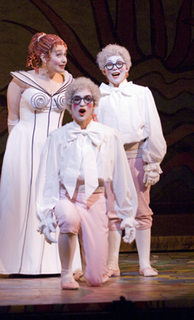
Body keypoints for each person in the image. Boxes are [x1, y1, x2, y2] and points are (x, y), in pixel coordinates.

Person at [0, 32, 80, 275]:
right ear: (42, 55)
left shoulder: (69, 82)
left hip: (56, 147)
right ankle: (20, 263)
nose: (63, 60)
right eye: (58, 55)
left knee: (56, 198)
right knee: (25, 199)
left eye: (65, 55)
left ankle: (61, 263)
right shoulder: (19, 82)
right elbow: (12, 120)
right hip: (26, 146)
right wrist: (15, 155)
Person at [35, 77, 138, 289]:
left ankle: (92, 271)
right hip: (67, 196)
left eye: (87, 99)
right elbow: (49, 176)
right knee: (69, 220)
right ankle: (66, 274)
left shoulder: (109, 135)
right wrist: (46, 213)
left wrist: (127, 214)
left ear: (94, 104)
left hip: (95, 198)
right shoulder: (58, 136)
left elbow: (120, 176)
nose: (82, 104)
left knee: (96, 279)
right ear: (69, 106)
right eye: (77, 100)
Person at [95, 44, 167, 277]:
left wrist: (152, 161)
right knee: (112, 211)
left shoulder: (141, 93)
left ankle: (144, 263)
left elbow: (152, 126)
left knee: (141, 210)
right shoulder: (97, 95)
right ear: (103, 70)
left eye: (119, 64)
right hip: (109, 159)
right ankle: (112, 263)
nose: (115, 69)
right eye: (109, 65)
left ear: (127, 68)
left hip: (135, 156)